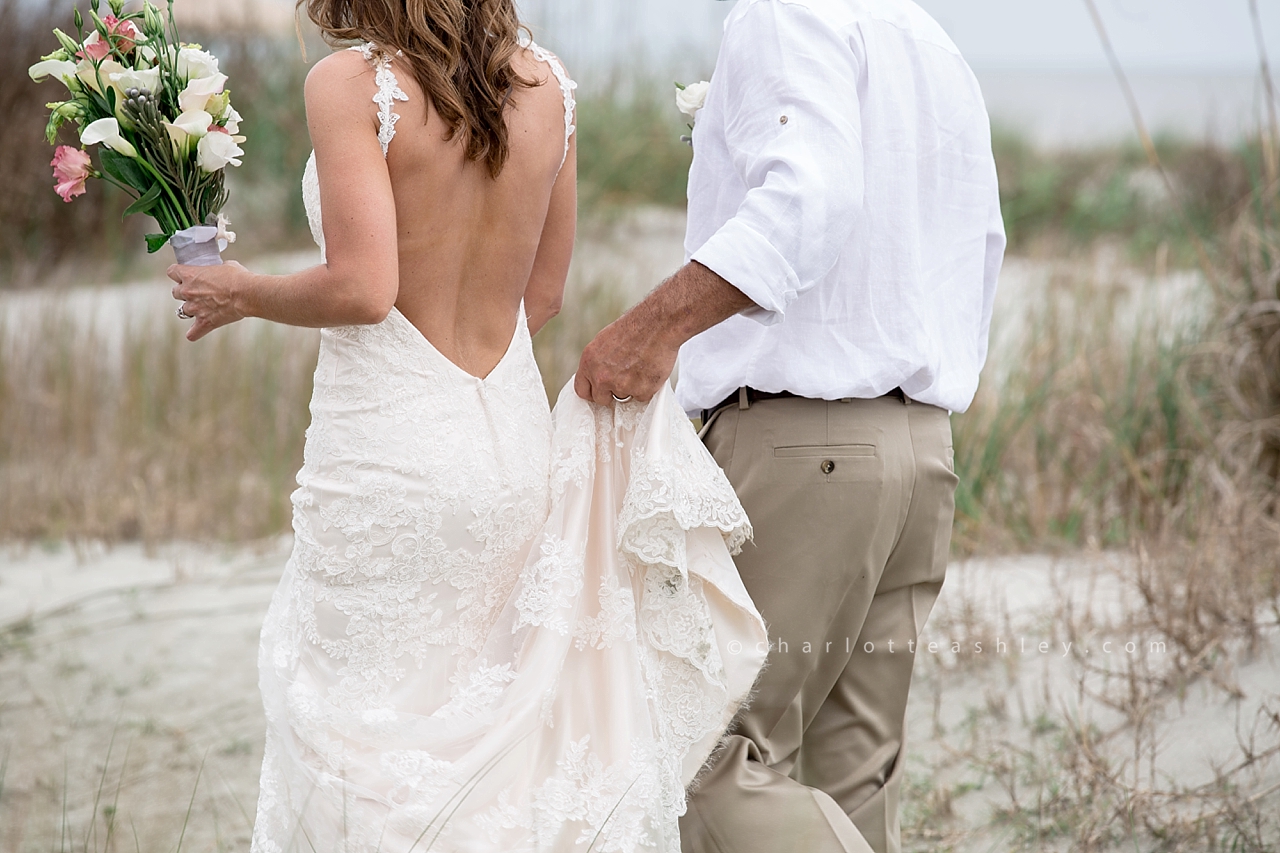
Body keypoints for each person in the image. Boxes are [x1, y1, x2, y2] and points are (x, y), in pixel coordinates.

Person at [165, 1, 767, 850]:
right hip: (511, 444)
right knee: (493, 740)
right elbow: (544, 297)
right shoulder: (550, 86)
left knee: (358, 735)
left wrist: (240, 291)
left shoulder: (350, 83)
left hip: (388, 454)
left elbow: (367, 286)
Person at [575, 0, 1005, 851]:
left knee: (697, 760)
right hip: (920, 451)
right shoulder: (928, 39)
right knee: (851, 775)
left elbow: (811, 193)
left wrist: (653, 327)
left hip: (811, 452)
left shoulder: (786, 11)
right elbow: (981, 241)